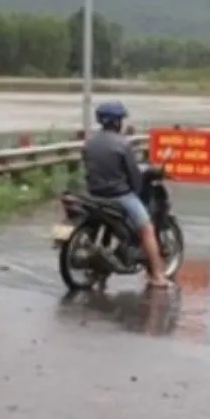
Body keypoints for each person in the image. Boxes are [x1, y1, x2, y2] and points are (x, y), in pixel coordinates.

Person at [81, 100, 171, 289]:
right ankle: (157, 275)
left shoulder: (90, 142)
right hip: (118, 196)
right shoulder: (122, 144)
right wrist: (137, 191)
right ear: (116, 122)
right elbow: (134, 176)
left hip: (93, 193)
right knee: (147, 228)